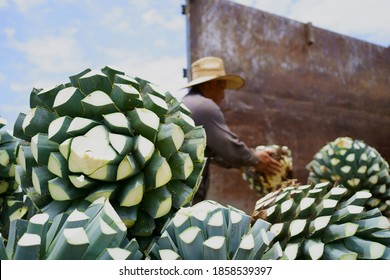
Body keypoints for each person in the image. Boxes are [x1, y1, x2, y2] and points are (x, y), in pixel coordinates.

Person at [181, 56, 282, 203]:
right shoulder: (204, 106)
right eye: (223, 87)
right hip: (187, 195)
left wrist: (243, 164)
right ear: (212, 84)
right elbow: (228, 147)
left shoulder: (187, 103)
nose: (223, 95)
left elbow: (213, 153)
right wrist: (255, 159)